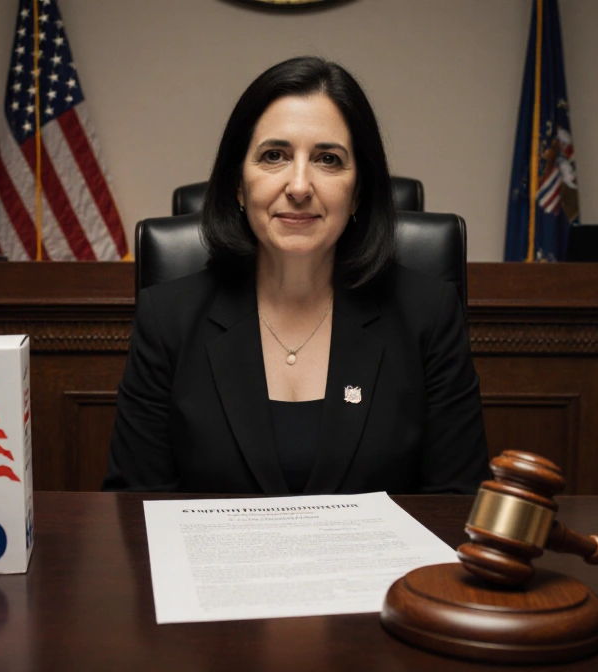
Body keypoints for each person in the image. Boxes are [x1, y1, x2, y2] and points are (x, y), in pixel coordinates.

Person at [103, 56, 489, 494]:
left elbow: (457, 507)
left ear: (359, 188)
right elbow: (132, 511)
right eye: (274, 156)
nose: (300, 186)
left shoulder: (428, 316)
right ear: (237, 185)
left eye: (327, 159)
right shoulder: (167, 320)